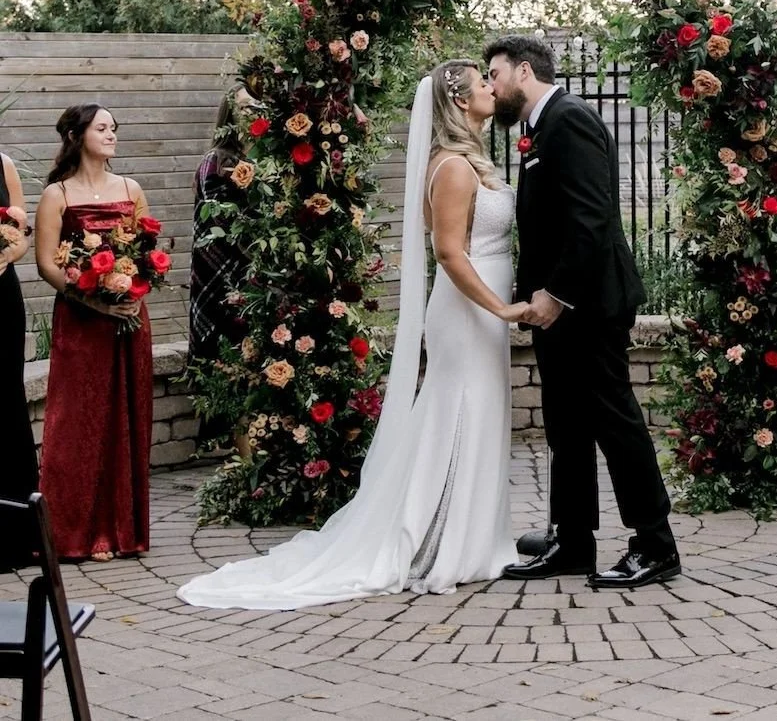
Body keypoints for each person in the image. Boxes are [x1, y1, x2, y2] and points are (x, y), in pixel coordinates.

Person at [178, 61, 532, 609]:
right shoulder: (456, 168)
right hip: (468, 312)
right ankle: (438, 543)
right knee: (458, 415)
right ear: (460, 101)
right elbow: (448, 252)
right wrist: (503, 309)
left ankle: (471, 535)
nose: (493, 87)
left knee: (477, 416)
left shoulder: (467, 161)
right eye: (483, 82)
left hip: (479, 310)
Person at [486, 34, 681, 589]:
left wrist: (557, 293)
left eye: (494, 72)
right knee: (566, 427)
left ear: (523, 71)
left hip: (588, 304)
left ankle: (656, 544)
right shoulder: (538, 128)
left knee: (614, 422)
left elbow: (592, 217)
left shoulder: (569, 118)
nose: (490, 84)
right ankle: (572, 541)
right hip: (558, 307)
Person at [35, 104, 154, 561]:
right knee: (77, 425)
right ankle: (75, 533)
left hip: (128, 321)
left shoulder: (131, 188)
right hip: (82, 322)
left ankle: (121, 531)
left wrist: (136, 293)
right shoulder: (57, 194)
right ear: (78, 135)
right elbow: (47, 263)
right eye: (102, 128)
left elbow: (146, 251)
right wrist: (91, 299)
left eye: (114, 129)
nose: (112, 135)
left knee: (127, 421)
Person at [189, 91, 251, 369]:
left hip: (259, 279)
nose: (252, 111)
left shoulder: (272, 160)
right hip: (220, 275)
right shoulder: (216, 162)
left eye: (258, 105)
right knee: (220, 360)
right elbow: (223, 223)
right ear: (231, 114)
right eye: (245, 106)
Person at [0, 151, 39, 566]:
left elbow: (21, 234)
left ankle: (14, 536)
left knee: (6, 403)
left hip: (1, 295)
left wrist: (8, 253)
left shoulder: (4, 163)